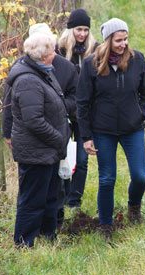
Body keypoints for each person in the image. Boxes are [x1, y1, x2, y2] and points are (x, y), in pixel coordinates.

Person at [76, 18, 145, 240]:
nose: (123, 44)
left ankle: (134, 207)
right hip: (103, 131)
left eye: (125, 39)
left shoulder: (136, 59)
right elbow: (82, 102)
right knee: (107, 178)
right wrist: (86, 136)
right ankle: (105, 226)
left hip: (133, 129)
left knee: (140, 176)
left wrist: (140, 113)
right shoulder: (91, 64)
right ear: (108, 41)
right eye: (118, 40)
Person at [2, 23, 78, 230]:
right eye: (53, 51)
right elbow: (34, 120)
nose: (56, 54)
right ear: (43, 56)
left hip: (46, 150)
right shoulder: (28, 80)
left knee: (49, 197)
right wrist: (58, 139)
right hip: (36, 150)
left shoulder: (42, 72)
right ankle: (25, 243)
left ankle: (47, 237)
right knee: (33, 201)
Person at [57, 9, 99, 210]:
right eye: (78, 29)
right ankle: (64, 194)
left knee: (82, 159)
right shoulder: (59, 51)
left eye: (85, 29)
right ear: (70, 29)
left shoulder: (96, 50)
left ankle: (75, 200)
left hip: (87, 114)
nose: (82, 34)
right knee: (63, 156)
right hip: (65, 112)